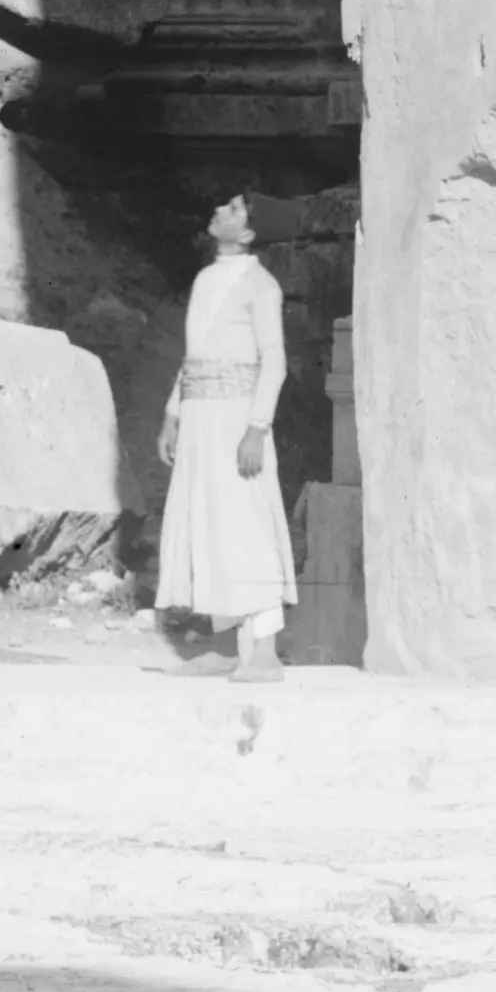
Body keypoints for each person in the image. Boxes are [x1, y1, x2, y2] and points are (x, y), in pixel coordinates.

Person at [156, 196, 294, 670]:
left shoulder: (261, 285)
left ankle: (265, 651)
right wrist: (173, 414)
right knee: (208, 520)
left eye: (233, 209)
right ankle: (226, 645)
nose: (218, 210)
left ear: (250, 233)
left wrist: (257, 429)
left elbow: (274, 361)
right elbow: (195, 356)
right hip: (199, 419)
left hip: (238, 419)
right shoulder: (205, 278)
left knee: (245, 522)